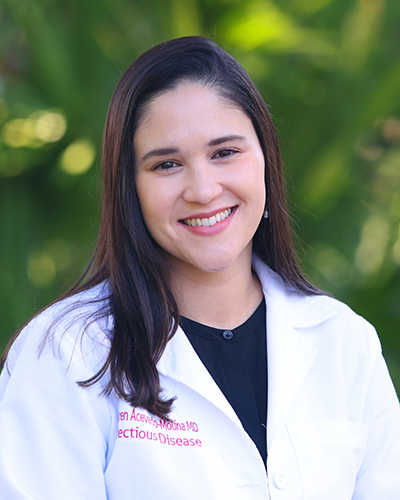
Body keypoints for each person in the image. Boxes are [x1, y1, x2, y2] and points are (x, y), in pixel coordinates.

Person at [0, 36, 399, 500]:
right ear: (130, 191)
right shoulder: (67, 354)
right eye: (167, 164)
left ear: (265, 161)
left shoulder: (345, 343)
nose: (203, 190)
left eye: (225, 153)